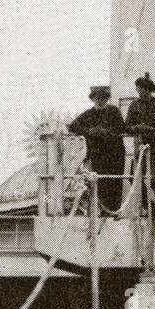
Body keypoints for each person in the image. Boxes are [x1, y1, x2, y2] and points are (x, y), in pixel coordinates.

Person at [68, 85, 127, 213]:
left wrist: (105, 131)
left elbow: (121, 128)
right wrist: (89, 131)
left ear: (107, 99)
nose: (100, 100)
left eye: (103, 98)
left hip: (114, 154)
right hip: (98, 155)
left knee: (115, 182)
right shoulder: (89, 114)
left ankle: (113, 211)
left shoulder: (114, 111)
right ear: (93, 99)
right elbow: (72, 126)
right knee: (100, 183)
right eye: (97, 98)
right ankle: (102, 211)